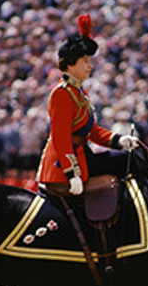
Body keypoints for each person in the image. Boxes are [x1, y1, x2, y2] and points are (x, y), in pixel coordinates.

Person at [37, 14, 137, 197]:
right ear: (70, 64)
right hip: (62, 166)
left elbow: (91, 131)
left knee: (132, 158)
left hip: (84, 156)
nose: (90, 66)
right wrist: (71, 173)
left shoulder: (79, 92)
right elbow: (61, 137)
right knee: (131, 161)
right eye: (85, 61)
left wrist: (117, 140)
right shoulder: (62, 93)